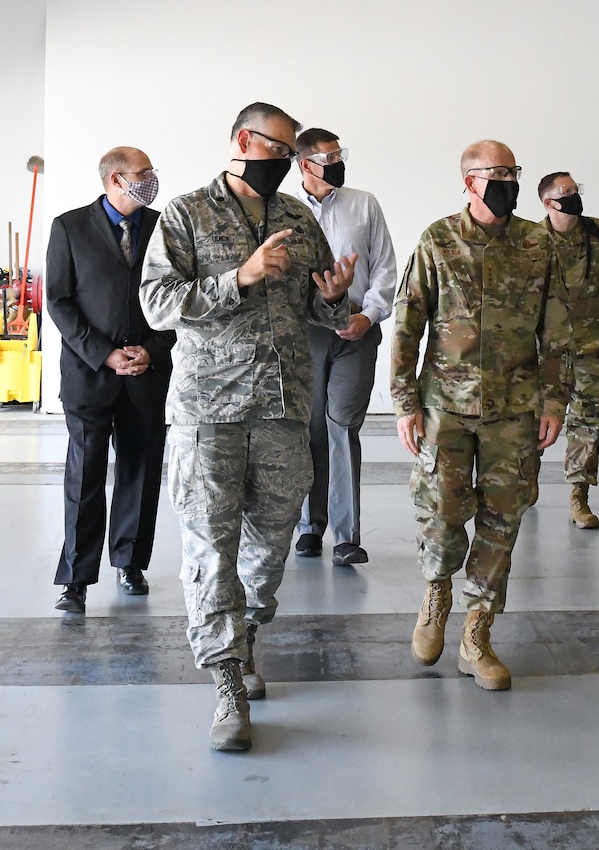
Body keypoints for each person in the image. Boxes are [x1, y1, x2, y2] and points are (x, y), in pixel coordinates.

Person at [140, 102, 358, 754]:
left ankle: (247, 632)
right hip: (208, 414)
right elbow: (156, 305)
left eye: (296, 155)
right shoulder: (185, 215)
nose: (291, 164)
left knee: (268, 550)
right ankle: (228, 683)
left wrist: (333, 295)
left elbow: (324, 312)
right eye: (283, 150)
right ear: (244, 141)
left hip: (283, 410)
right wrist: (239, 277)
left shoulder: (297, 218)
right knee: (209, 549)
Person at [390, 140, 569, 691]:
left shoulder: (538, 243)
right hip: (445, 407)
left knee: (503, 518)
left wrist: (556, 400)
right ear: (469, 181)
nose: (509, 181)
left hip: (514, 410)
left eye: (514, 172)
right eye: (498, 173)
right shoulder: (439, 240)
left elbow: (557, 329)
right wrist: (404, 401)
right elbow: (406, 322)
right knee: (441, 512)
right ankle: (437, 591)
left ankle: (478, 633)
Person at [45, 146, 176, 613]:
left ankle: (130, 562)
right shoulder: (69, 227)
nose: (151, 180)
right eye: (142, 174)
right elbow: (59, 301)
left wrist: (151, 350)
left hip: (146, 372)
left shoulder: (165, 227)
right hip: (89, 376)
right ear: (115, 180)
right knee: (85, 476)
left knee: (140, 472)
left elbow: (177, 299)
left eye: (151, 173)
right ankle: (76, 579)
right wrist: (104, 354)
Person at [290, 128, 398, 567]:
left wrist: (367, 316)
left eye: (339, 154)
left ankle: (346, 536)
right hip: (306, 332)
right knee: (309, 426)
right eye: (327, 156)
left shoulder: (364, 203)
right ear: (304, 164)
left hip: (356, 328)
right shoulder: (285, 211)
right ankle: (309, 527)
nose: (337, 161)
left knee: (342, 425)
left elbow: (386, 266)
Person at [536, 170, 599, 530]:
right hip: (545, 355)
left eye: (577, 190)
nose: (575, 196)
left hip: (595, 350)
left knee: (588, 424)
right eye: (567, 192)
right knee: (534, 422)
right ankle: (526, 479)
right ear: (548, 202)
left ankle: (578, 496)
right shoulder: (531, 241)